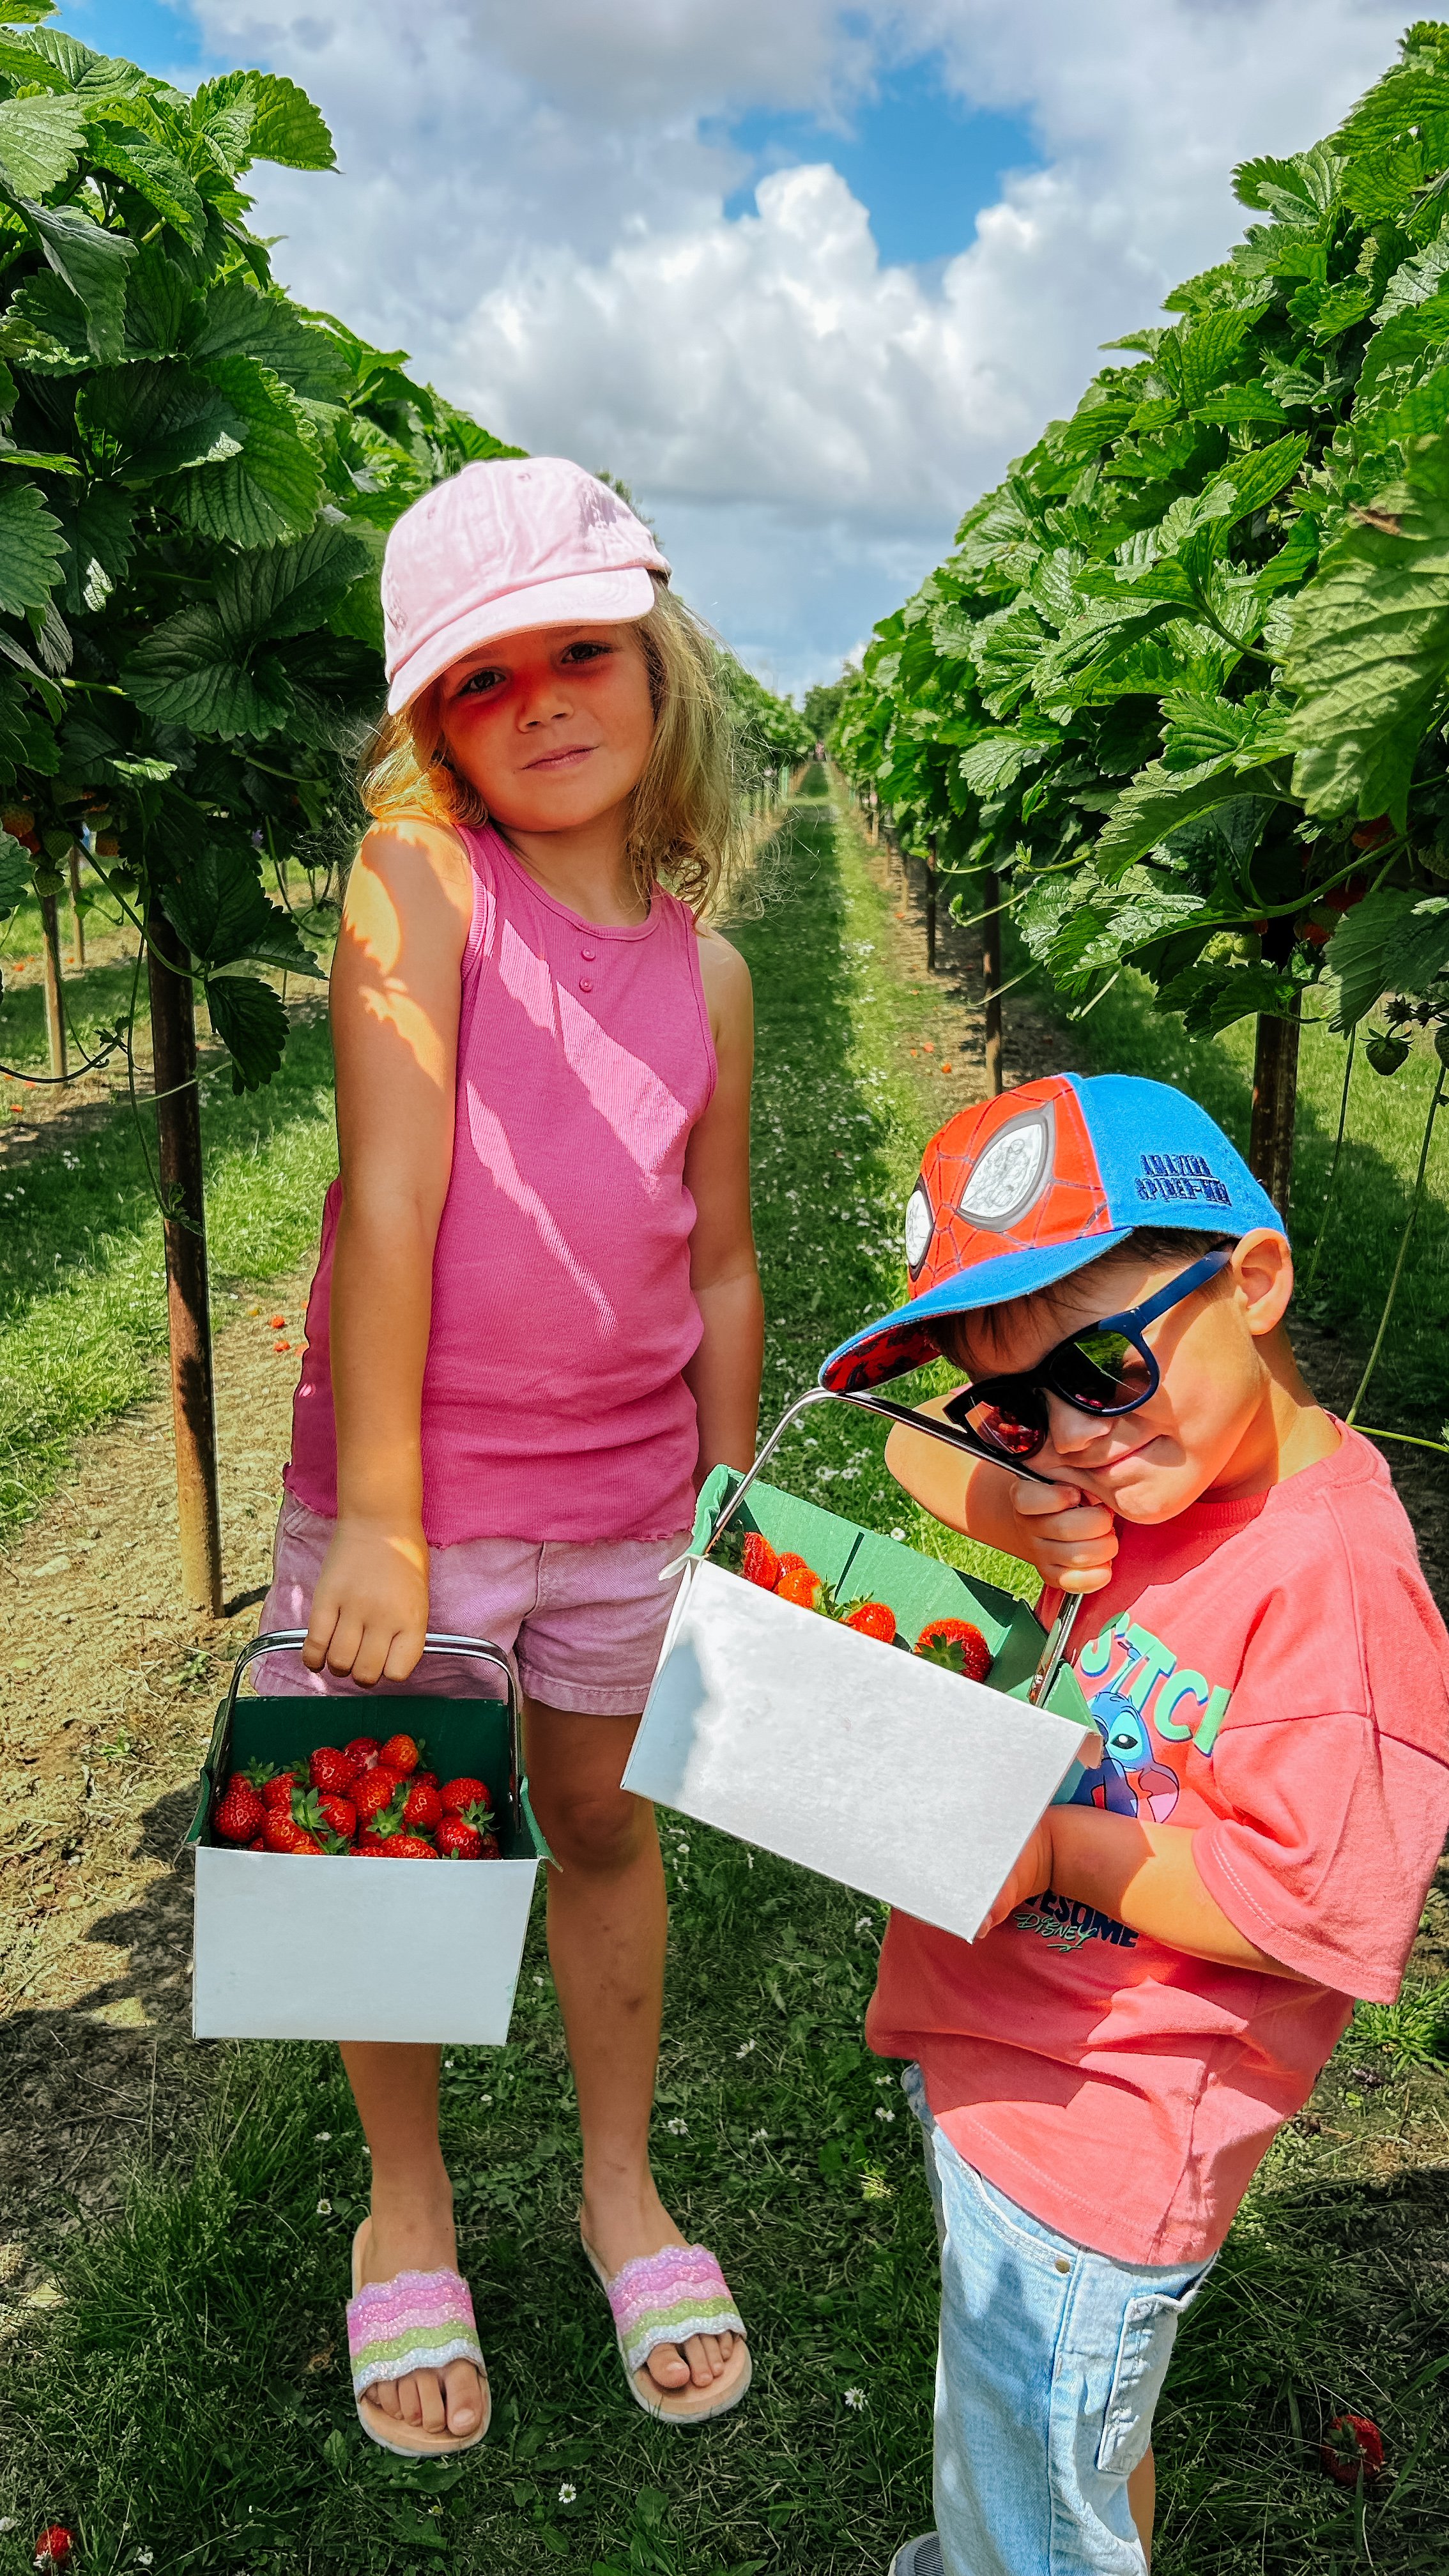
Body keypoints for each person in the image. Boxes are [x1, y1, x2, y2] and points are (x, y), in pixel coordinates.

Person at [258, 457, 762, 2453]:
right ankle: (409, 2207)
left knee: (601, 1827)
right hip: (427, 1515)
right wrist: (379, 1512)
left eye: (584, 652)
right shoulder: (423, 889)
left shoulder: (709, 974)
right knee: (396, 1850)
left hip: (630, 1506)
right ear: (432, 725)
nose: (546, 701)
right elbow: (389, 1200)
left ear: (658, 671)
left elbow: (717, 1259)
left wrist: (726, 1495)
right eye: (487, 678)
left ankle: (614, 2177)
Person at [819, 1070, 1449, 2576]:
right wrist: (999, 1499)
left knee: (1035, 2467)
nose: (1066, 1438)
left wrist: (1056, 1852)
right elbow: (906, 1452)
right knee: (1054, 2435)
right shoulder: (1137, 1483)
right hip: (1013, 2059)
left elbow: (1319, 1898)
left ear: (1257, 1279)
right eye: (1011, 1405)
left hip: (1107, 2127)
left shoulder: (1331, 1587)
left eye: (1098, 1367)